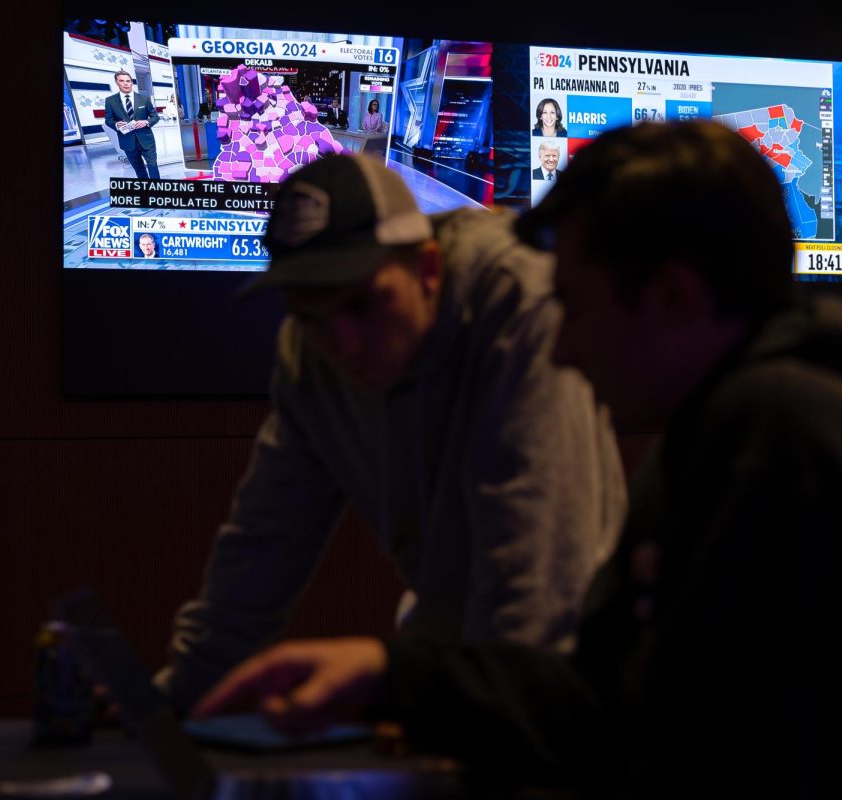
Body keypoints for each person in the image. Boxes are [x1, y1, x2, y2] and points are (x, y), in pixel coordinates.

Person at [193, 122, 842, 798]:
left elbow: (720, 771)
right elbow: (620, 708)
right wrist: (393, 674)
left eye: (573, 308)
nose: (562, 350)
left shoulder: (786, 433)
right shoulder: (714, 436)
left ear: (675, 299)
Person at [153, 153, 627, 716]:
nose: (343, 343)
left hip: (578, 682)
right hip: (454, 663)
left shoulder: (516, 303)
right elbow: (262, 540)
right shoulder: (312, 354)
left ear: (427, 269)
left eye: (364, 304)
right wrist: (173, 697)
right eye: (310, 314)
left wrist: (469, 716)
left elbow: (536, 589)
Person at [102, 70, 160, 180]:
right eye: (122, 81)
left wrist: (146, 122)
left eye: (128, 81)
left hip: (146, 140)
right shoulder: (110, 101)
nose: (125, 83)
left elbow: (155, 117)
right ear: (117, 83)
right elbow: (108, 120)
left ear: (131, 83)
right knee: (138, 168)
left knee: (153, 166)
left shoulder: (144, 99)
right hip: (127, 141)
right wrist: (116, 125)